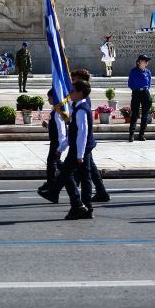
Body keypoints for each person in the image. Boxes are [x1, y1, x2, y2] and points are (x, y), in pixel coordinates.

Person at [37, 80, 96, 220]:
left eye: (72, 91)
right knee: (84, 176)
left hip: (78, 148)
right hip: (81, 147)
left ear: (80, 92)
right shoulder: (79, 107)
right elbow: (73, 131)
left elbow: (82, 132)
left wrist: (80, 153)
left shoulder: (81, 110)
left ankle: (77, 205)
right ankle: (86, 208)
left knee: (66, 173)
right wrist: (62, 146)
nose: (70, 94)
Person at [70, 69, 110, 202]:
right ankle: (101, 191)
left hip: (84, 140)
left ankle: (73, 193)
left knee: (81, 170)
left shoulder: (83, 99)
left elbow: (83, 127)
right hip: (85, 141)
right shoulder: (82, 97)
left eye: (75, 80)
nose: (72, 83)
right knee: (89, 168)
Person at [38, 88, 67, 193]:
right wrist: (47, 126)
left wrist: (61, 145)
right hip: (55, 140)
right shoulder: (54, 110)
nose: (48, 99)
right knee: (56, 161)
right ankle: (71, 173)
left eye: (49, 97)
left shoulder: (57, 111)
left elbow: (62, 129)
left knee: (51, 161)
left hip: (57, 141)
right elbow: (55, 127)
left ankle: (51, 183)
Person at [128, 54, 152, 142]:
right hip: (136, 93)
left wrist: (144, 90)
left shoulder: (148, 72)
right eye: (144, 60)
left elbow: (149, 84)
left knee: (145, 115)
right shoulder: (133, 71)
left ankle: (141, 135)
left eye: (147, 61)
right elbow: (130, 83)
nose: (146, 62)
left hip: (145, 93)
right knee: (134, 114)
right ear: (139, 62)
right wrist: (136, 89)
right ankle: (131, 135)